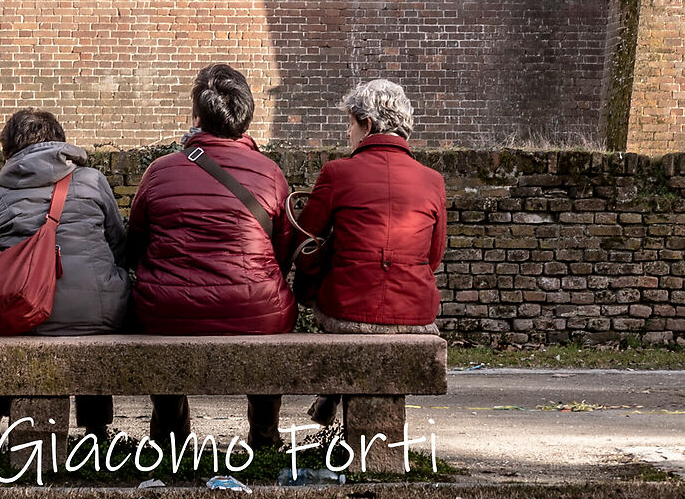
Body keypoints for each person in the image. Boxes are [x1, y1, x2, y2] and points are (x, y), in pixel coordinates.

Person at [123, 64, 293, 449]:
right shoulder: (270, 174)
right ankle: (265, 437)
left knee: (158, 318)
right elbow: (282, 253)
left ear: (197, 116)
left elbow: (134, 248)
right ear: (245, 117)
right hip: (256, 310)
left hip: (167, 311)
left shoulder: (160, 172)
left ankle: (170, 433)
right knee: (267, 317)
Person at [0, 108, 131, 454]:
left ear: (9, 151)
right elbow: (119, 248)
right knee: (91, 308)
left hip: (28, 319)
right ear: (61, 143)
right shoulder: (94, 181)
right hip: (102, 315)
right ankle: (97, 432)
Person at [293, 78, 448, 426]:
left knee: (333, 301)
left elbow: (303, 242)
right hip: (416, 317)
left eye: (349, 123)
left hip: (346, 312)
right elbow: (434, 257)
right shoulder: (432, 180)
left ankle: (333, 389)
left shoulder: (337, 172)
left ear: (366, 124)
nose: (348, 133)